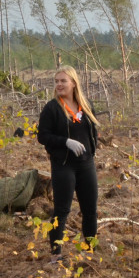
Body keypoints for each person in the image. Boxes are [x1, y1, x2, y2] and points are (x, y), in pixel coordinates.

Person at [37, 66, 100, 261]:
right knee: (62, 209)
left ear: (73, 83)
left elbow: (93, 129)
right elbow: (42, 136)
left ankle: (89, 250)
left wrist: (92, 147)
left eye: (63, 81)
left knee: (90, 209)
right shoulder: (52, 108)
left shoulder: (85, 105)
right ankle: (56, 254)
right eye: (56, 81)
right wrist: (65, 142)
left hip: (86, 164)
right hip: (64, 165)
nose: (59, 85)